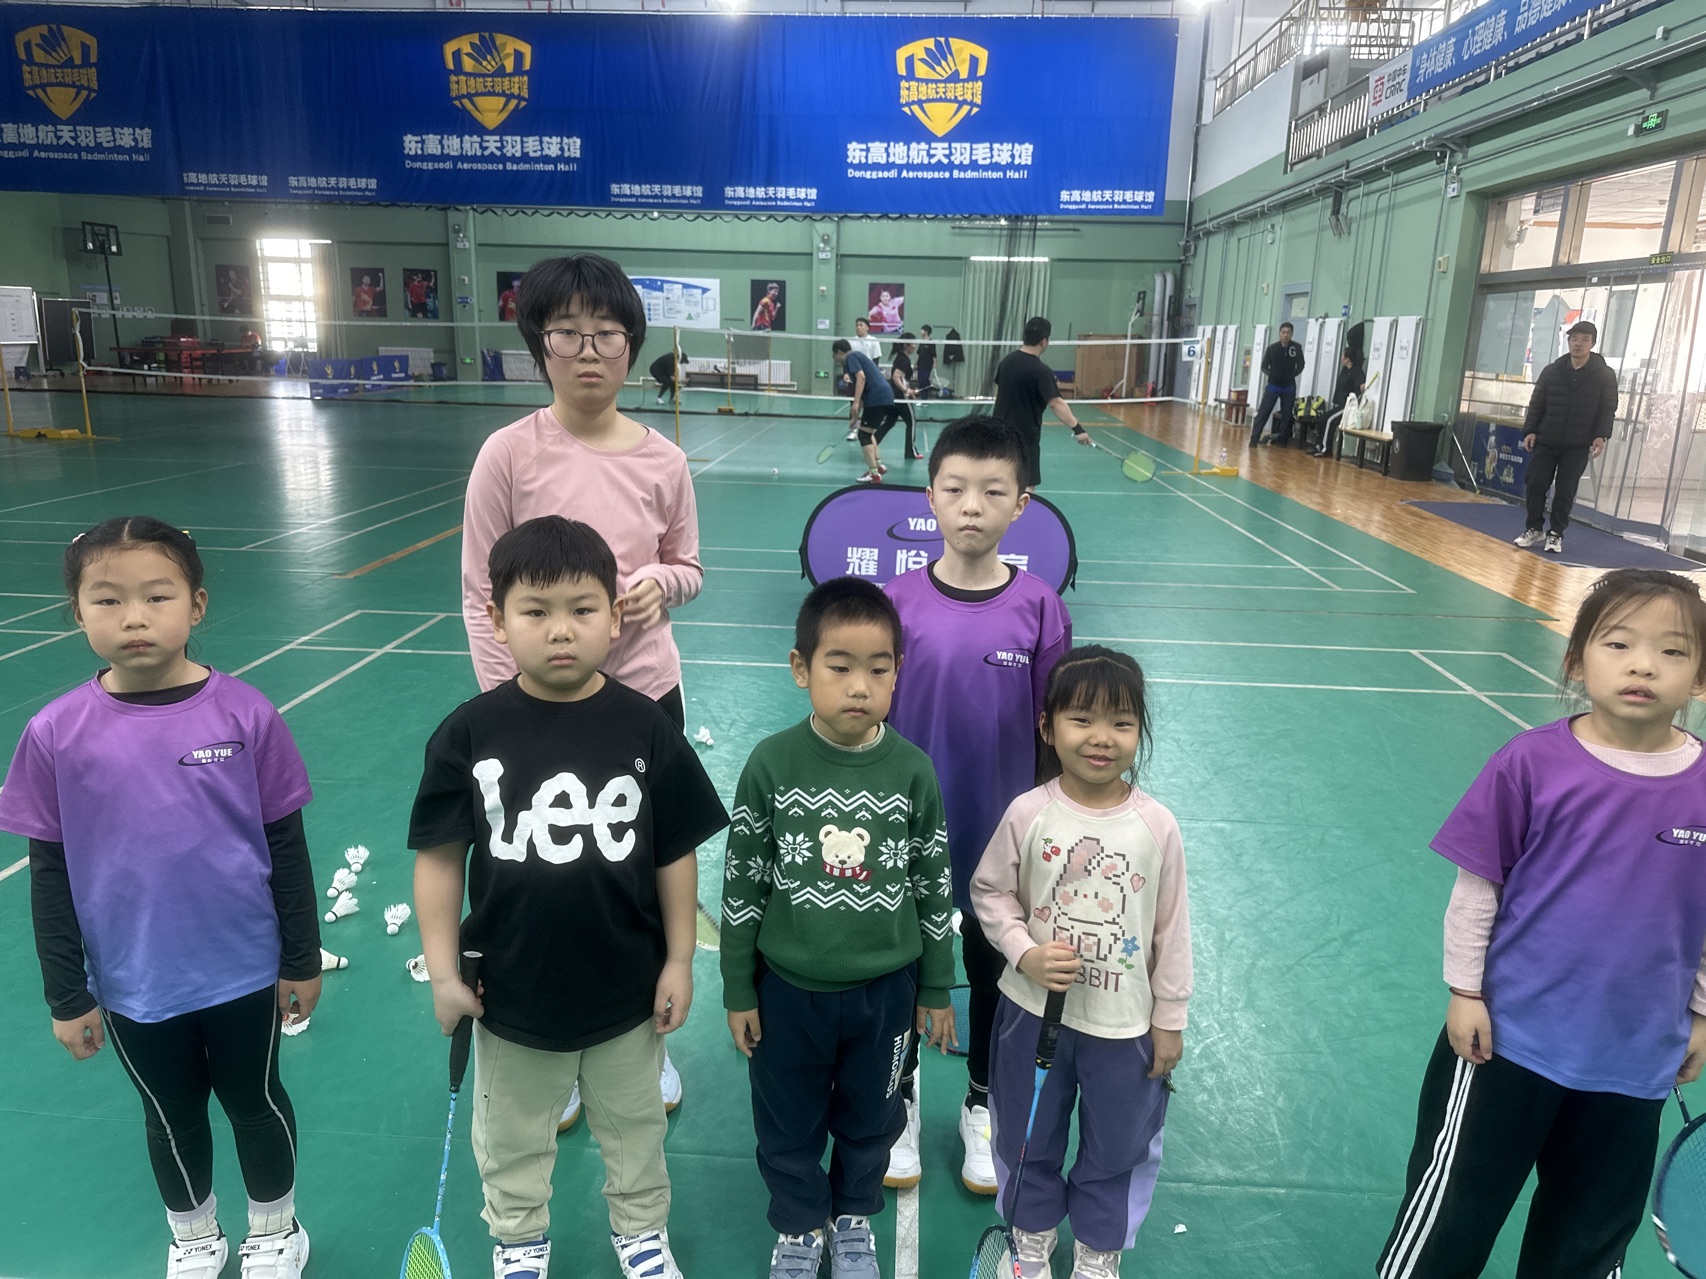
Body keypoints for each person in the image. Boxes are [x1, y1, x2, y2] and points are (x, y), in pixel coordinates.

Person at [0, 517, 320, 1279]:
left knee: (254, 1099)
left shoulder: (247, 714)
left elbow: (285, 845)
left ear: (197, 604)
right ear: (77, 613)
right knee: (169, 1113)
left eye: (157, 595)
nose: (134, 617)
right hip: (134, 980)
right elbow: (50, 873)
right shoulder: (53, 733)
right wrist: (67, 992)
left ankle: (275, 1230)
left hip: (244, 968)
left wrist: (302, 957)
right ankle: (195, 1235)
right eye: (108, 600)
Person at [413, 515, 729, 1279]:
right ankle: (519, 1241)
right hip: (511, 994)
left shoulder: (645, 726)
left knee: (636, 1127)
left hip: (626, 990)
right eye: (536, 610)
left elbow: (675, 851)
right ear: (497, 620)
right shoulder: (469, 733)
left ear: (615, 616)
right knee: (513, 1135)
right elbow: (440, 859)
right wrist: (444, 971)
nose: (561, 629)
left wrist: (678, 958)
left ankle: (642, 1232)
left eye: (582, 609)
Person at [1375, 567, 1706, 1279]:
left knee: (1586, 1240)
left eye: (1673, 651)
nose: (1644, 664)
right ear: (1577, 660)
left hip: (1635, 1059)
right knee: (1452, 1214)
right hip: (1507, 1041)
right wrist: (1466, 991)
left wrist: (1702, 1011)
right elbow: (1478, 889)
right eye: (1619, 644)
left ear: (1701, 676)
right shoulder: (1529, 763)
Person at [462, 253, 705, 1124]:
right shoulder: (508, 454)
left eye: (606, 333)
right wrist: (510, 707)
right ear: (540, 344)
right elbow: (479, 592)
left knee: (640, 873)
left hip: (643, 700)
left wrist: (660, 585)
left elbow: (689, 565)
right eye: (567, 333)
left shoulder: (664, 460)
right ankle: (558, 1050)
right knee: (549, 875)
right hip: (535, 708)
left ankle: (646, 1040)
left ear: (632, 345)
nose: (589, 351)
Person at [720, 577, 956, 1279]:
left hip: (886, 995)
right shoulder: (771, 764)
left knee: (873, 1119)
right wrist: (739, 988)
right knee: (786, 1122)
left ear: (898, 673)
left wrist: (935, 986)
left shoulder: (913, 772)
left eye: (878, 670)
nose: (860, 686)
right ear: (801, 668)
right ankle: (799, 1224)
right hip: (787, 993)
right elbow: (742, 884)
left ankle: (852, 1216)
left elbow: (933, 885)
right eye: (840, 666)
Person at [882, 417, 1072, 1195]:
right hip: (907, 833)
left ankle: (983, 1101)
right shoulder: (894, 603)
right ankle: (895, 1099)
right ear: (930, 497)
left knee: (995, 970)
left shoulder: (1040, 607)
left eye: (993, 491)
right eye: (955, 488)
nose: (971, 505)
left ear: (1021, 504)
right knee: (898, 970)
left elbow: (1057, 732)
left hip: (1004, 837)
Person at [972, 646, 1191, 1279]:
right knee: (1026, 1134)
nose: (1101, 737)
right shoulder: (1028, 813)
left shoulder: (1157, 826)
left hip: (1124, 1029)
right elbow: (990, 892)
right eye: (1082, 719)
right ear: (1047, 727)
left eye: (1122, 722)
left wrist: (1169, 1019)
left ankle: (1099, 1248)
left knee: (1119, 1146)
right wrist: (1025, 952)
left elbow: (1172, 929)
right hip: (1030, 1015)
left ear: (1139, 732)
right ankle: (1031, 1235)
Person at [1515, 319, 1618, 555]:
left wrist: (1601, 435)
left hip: (1578, 444)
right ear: (1568, 342)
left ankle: (1556, 533)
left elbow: (1608, 407)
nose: (1578, 344)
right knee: (1535, 484)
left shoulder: (1604, 375)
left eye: (1584, 339)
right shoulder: (1552, 371)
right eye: (1573, 339)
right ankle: (1534, 528)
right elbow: (1537, 402)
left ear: (1592, 344)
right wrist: (1530, 430)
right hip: (1546, 439)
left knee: (1565, 490)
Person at [992, 317, 1090, 490]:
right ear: (1044, 341)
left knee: (1000, 482)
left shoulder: (1006, 362)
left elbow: (1001, 392)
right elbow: (1056, 403)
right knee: (1027, 486)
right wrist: (1078, 429)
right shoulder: (1041, 371)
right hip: (1025, 437)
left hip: (999, 433)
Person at [832, 338, 899, 485]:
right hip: (885, 395)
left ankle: (874, 475)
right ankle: (879, 466)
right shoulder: (858, 356)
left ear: (839, 352)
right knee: (868, 432)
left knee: (863, 435)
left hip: (877, 397)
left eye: (834, 355)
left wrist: (855, 403)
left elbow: (861, 378)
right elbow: (862, 390)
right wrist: (855, 416)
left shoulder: (851, 357)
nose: (835, 359)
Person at [1248, 322, 1305, 448]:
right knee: (1263, 412)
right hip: (1273, 385)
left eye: (1288, 333)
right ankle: (1254, 439)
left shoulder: (1296, 348)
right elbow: (1264, 366)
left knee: (1287, 415)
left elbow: (1301, 364)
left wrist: (1293, 374)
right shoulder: (1272, 349)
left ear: (1291, 334)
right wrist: (1273, 374)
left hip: (1289, 386)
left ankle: (1282, 441)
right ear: (1279, 333)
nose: (1285, 335)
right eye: (1283, 333)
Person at [1314, 347, 1366, 459]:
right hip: (1339, 403)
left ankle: (1326, 449)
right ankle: (1318, 445)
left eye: (1343, 356)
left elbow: (1361, 386)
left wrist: (1363, 387)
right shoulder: (1344, 370)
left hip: (1346, 406)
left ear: (1348, 359)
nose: (1341, 358)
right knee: (1323, 418)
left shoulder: (1357, 371)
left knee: (1330, 421)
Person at [844, 318, 885, 439]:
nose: (858, 327)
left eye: (861, 325)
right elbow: (847, 360)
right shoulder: (851, 342)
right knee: (854, 404)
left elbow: (876, 360)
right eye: (857, 325)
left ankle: (867, 429)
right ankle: (853, 430)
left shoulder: (873, 341)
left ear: (867, 327)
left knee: (868, 404)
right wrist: (846, 373)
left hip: (869, 379)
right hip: (855, 377)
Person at [888, 334, 921, 461]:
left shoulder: (901, 357)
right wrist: (906, 390)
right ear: (906, 345)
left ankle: (872, 442)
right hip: (900, 395)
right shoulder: (903, 359)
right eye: (913, 344)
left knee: (890, 421)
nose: (915, 346)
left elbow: (901, 378)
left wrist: (909, 391)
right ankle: (910, 452)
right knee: (911, 422)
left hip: (894, 394)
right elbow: (896, 377)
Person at [915, 325, 937, 396]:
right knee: (920, 380)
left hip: (927, 365)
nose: (921, 332)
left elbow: (934, 355)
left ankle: (924, 397)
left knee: (924, 380)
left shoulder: (931, 342)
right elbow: (919, 354)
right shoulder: (921, 342)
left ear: (926, 332)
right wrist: (915, 364)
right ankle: (922, 396)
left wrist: (934, 363)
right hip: (920, 364)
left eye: (922, 330)